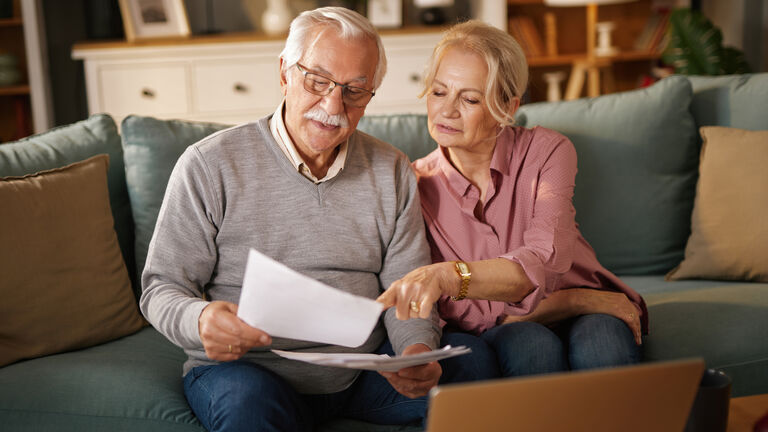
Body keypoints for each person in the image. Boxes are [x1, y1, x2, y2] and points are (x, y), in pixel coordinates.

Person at [140, 8, 497, 432]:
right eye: (317, 81)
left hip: (362, 373)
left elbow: (408, 290)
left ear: (370, 96)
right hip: (247, 371)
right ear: (284, 73)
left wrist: (414, 351)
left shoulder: (392, 169)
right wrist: (199, 320)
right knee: (248, 406)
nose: (332, 105)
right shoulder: (208, 164)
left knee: (474, 365)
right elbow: (160, 288)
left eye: (354, 91)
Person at [378, 20, 648, 378]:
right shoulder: (414, 185)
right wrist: (574, 300)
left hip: (588, 308)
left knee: (604, 345)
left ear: (507, 108)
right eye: (439, 91)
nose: (447, 110)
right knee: (529, 344)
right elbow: (476, 317)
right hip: (545, 314)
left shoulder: (548, 151)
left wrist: (581, 301)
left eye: (470, 98)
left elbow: (544, 259)